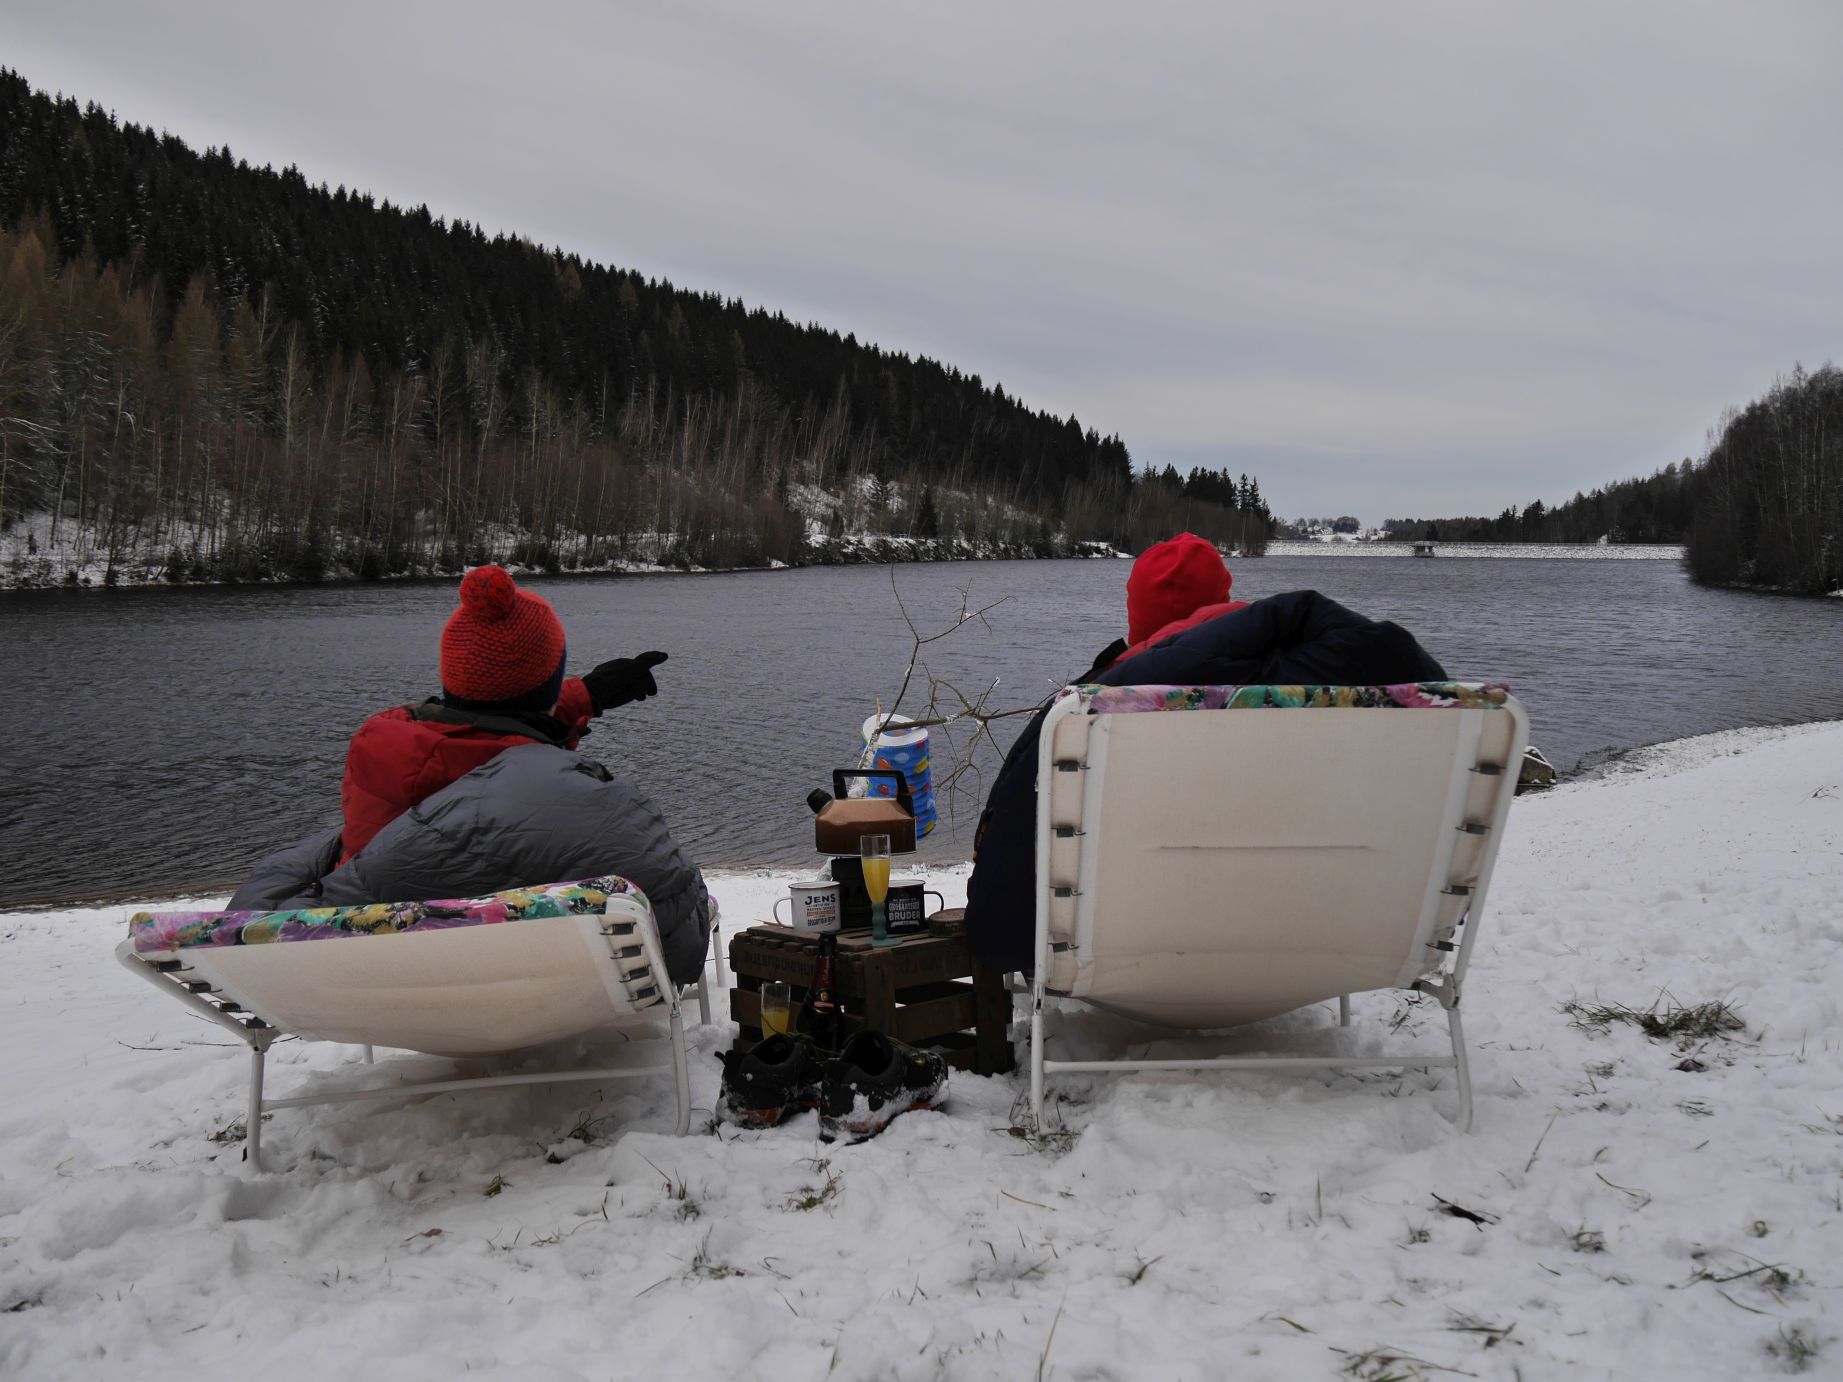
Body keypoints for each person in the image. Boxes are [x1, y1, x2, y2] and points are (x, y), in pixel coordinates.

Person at [965, 551, 1449, 974]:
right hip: (1304, 946)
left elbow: (1003, 889)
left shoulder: (1095, 707)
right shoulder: (1300, 687)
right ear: (1224, 601)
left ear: (1139, 616)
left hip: (1118, 955)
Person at [229, 564, 713, 986]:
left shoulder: (379, 750)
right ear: (546, 679)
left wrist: (584, 696)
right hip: (536, 984)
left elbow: (476, 738)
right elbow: (679, 913)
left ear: (452, 677)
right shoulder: (554, 794)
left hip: (381, 980)